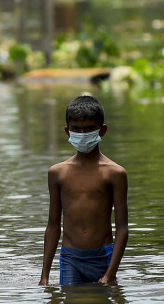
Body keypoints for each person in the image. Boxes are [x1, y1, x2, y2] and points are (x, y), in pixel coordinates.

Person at [39, 95, 128, 286]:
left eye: (89, 129)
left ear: (102, 130)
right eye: (76, 129)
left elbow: (122, 228)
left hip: (103, 257)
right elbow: (53, 226)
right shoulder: (57, 173)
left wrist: (111, 273)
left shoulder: (115, 173)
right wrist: (44, 276)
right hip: (71, 258)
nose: (82, 133)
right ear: (67, 131)